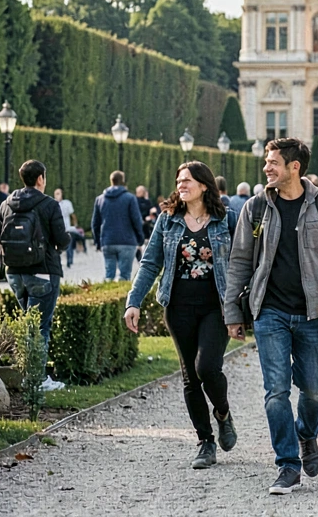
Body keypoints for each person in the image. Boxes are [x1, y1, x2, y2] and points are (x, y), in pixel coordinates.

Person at [223, 138, 318, 496]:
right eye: (267, 162)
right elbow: (238, 262)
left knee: (314, 389)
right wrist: (232, 312)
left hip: (313, 313)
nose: (266, 167)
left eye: (273, 163)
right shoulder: (255, 208)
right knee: (276, 392)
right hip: (270, 312)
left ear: (294, 167)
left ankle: (307, 434)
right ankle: (287, 464)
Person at [125, 161, 240, 470]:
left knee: (208, 368)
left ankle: (223, 413)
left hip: (216, 306)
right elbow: (150, 263)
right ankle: (205, 442)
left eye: (187, 180)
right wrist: (132, 302)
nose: (181, 185)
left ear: (204, 185)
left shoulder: (226, 219)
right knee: (190, 377)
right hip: (178, 307)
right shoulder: (168, 220)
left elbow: (244, 262)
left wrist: (243, 307)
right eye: (179, 180)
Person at [0, 160, 69, 391]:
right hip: (42, 272)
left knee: (29, 324)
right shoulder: (49, 204)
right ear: (40, 179)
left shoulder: (7, 203)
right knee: (39, 328)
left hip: (14, 273)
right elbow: (61, 240)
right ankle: (36, 380)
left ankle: (27, 373)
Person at [92, 171, 145, 281]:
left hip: (108, 241)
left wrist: (98, 242)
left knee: (109, 275)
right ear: (123, 181)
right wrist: (140, 239)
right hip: (127, 241)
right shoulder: (130, 198)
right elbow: (136, 220)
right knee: (124, 276)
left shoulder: (100, 199)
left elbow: (95, 223)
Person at [54, 187, 78, 269]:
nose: (57, 195)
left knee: (69, 245)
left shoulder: (67, 203)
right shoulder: (53, 204)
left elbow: (72, 215)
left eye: (58, 193)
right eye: (56, 194)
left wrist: (75, 225)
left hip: (67, 228)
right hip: (57, 229)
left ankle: (69, 261)